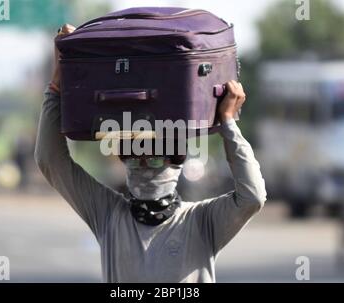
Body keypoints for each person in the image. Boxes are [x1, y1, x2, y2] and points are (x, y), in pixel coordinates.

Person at [34, 25, 267, 283]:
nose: (143, 165)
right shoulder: (108, 214)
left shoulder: (201, 221)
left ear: (176, 162)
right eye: (135, 158)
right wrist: (57, 84)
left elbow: (253, 197)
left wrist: (227, 122)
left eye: (155, 158)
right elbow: (50, 159)